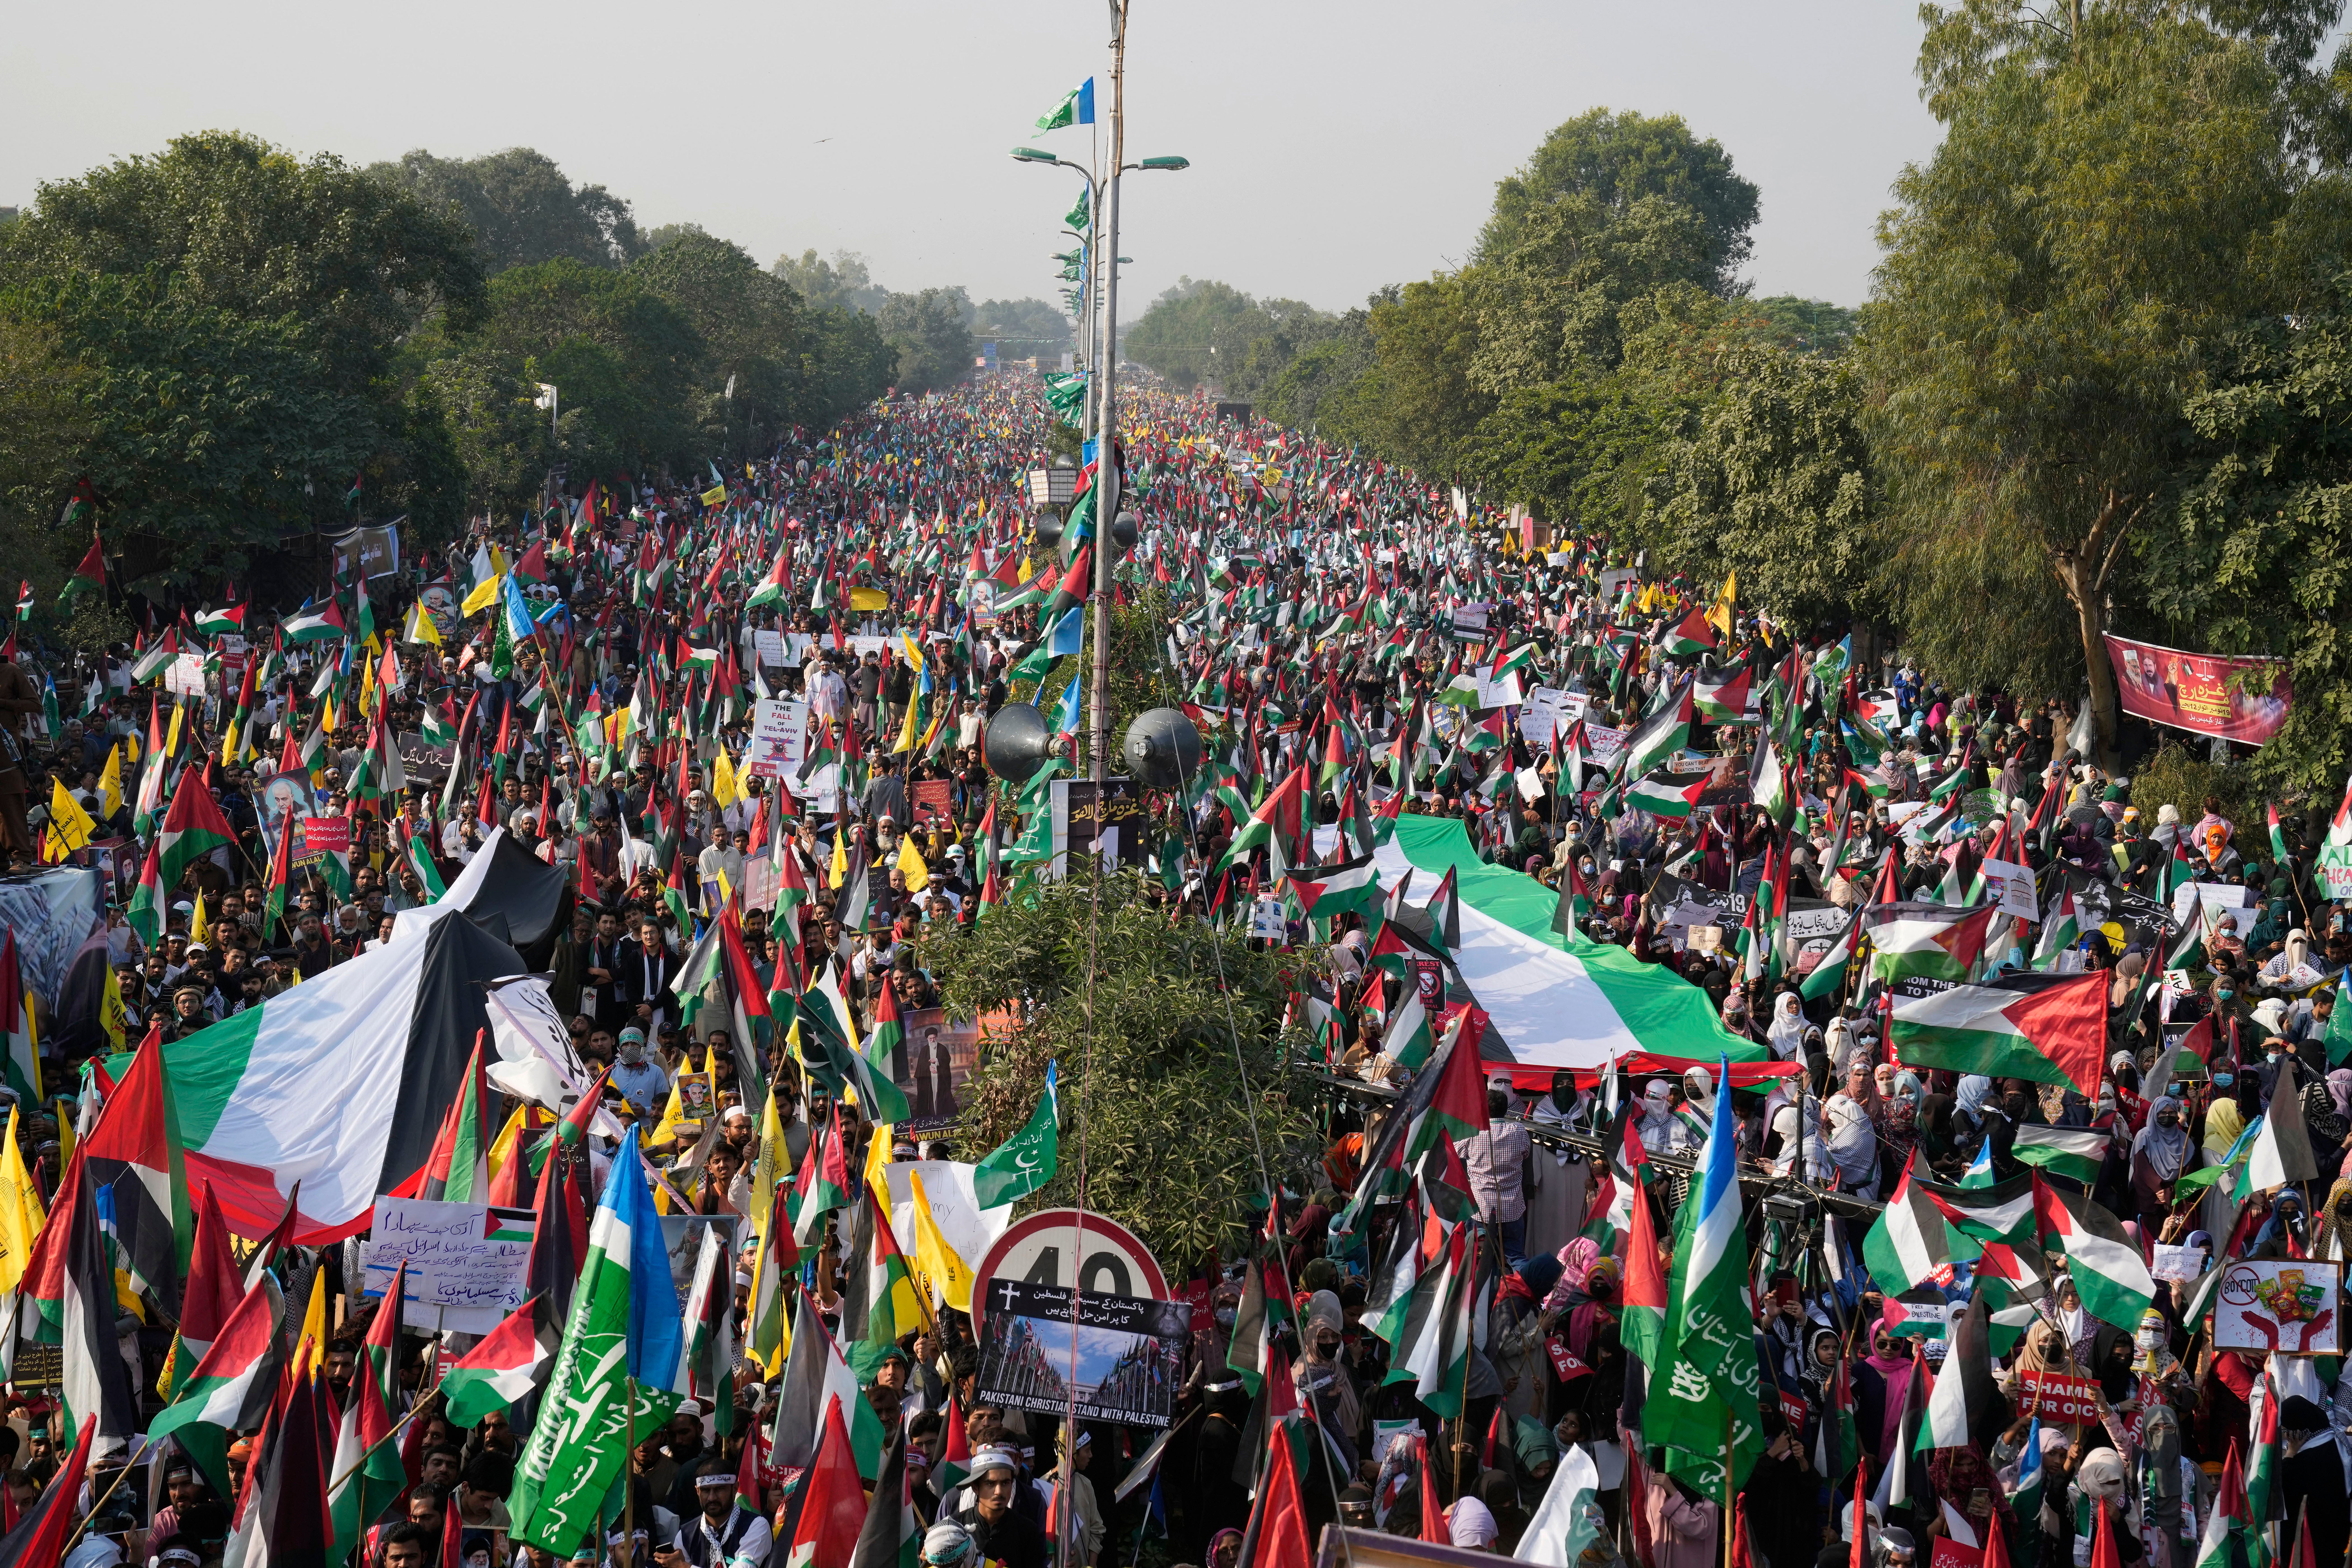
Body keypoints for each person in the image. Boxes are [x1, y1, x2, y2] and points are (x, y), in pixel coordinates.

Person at [955, 1449, 1046, 1568]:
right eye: (990, 1484)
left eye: (1005, 1483)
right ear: (976, 1487)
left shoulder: (1027, 1531)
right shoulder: (955, 1529)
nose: (999, 1492)